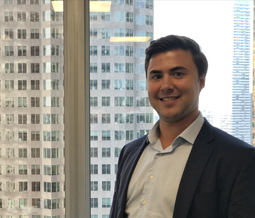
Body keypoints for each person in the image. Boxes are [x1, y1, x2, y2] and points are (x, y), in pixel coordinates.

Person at [109, 35, 255, 218]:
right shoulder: (129, 153)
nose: (166, 85)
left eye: (178, 74)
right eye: (156, 76)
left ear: (201, 80)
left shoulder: (239, 159)